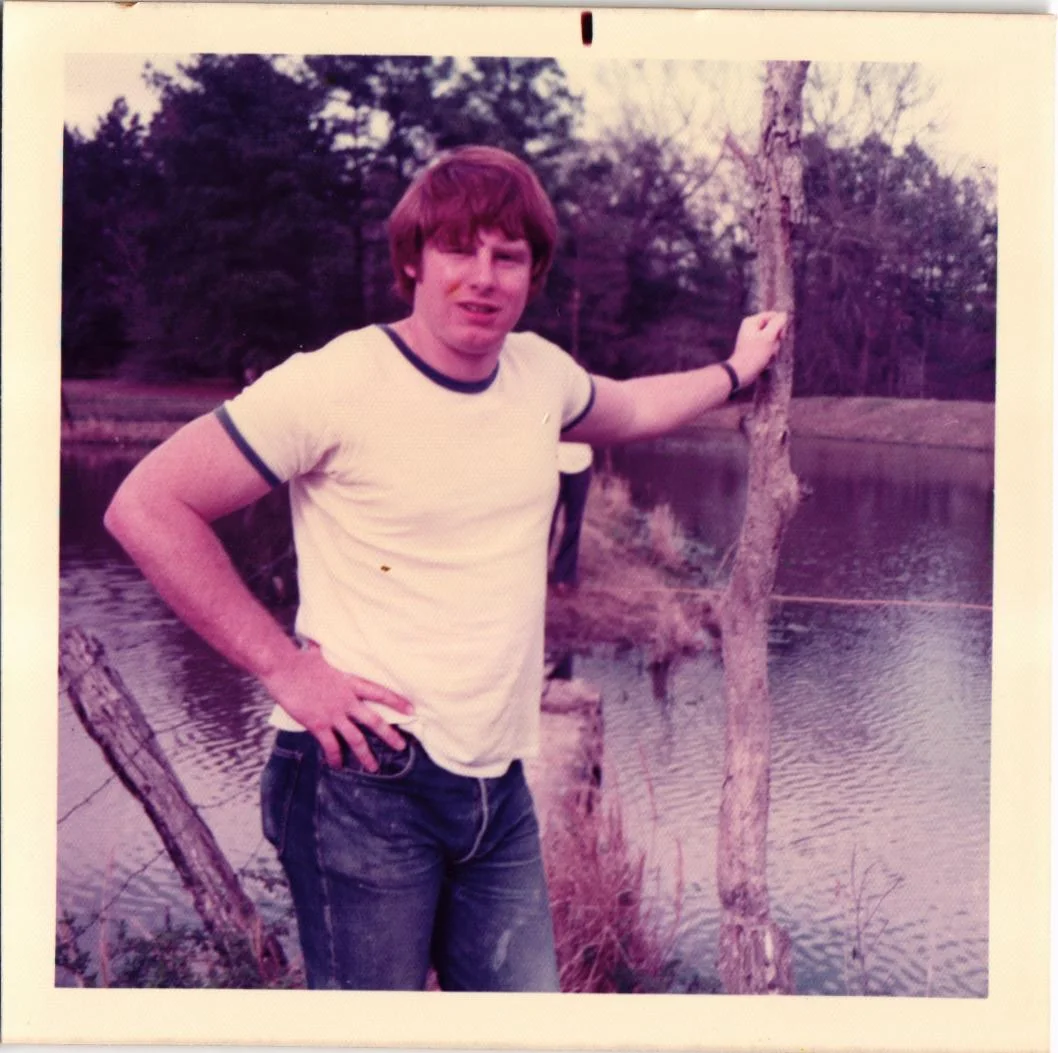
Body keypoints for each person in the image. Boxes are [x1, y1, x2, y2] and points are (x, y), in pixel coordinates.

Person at [104, 144, 786, 992]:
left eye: (508, 256)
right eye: (459, 249)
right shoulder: (337, 380)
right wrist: (284, 668)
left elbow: (637, 404)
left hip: (497, 785)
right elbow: (147, 505)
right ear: (413, 262)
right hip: (361, 779)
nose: (483, 276)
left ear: (532, 274)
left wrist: (736, 370)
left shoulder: (539, 373)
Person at [548, 441, 593, 594]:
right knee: (547, 521)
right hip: (554, 465)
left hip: (582, 465)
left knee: (574, 522)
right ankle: (536, 570)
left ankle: (563, 576)